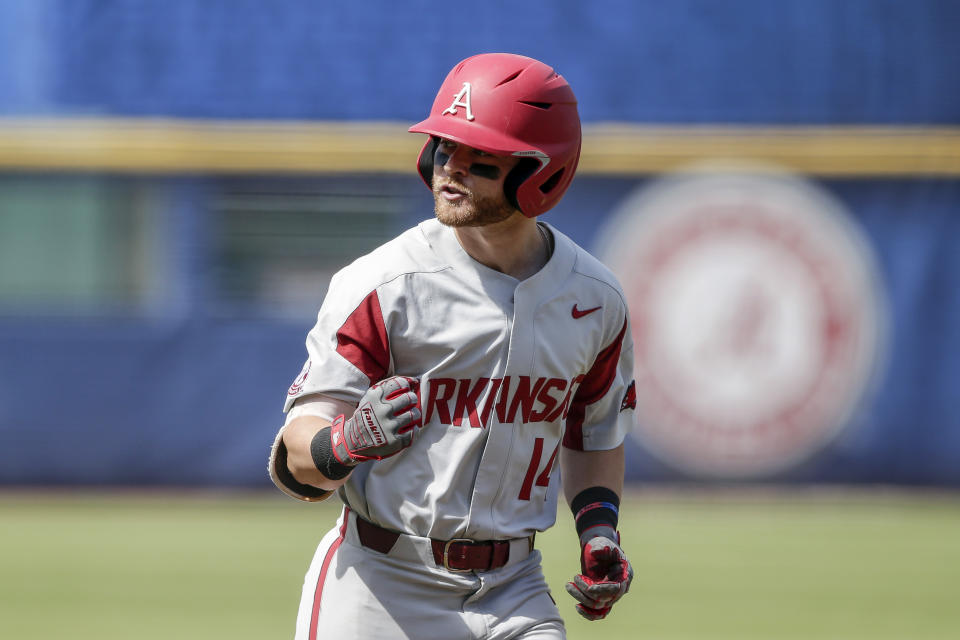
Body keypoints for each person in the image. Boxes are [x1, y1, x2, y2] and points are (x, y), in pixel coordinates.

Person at [268, 52, 636, 640]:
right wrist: (345, 442)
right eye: (444, 149)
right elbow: (295, 463)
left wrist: (599, 533)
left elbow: (593, 433)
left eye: (480, 160)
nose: (450, 170)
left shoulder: (594, 298)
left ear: (541, 173)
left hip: (515, 587)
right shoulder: (383, 284)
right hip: (380, 585)